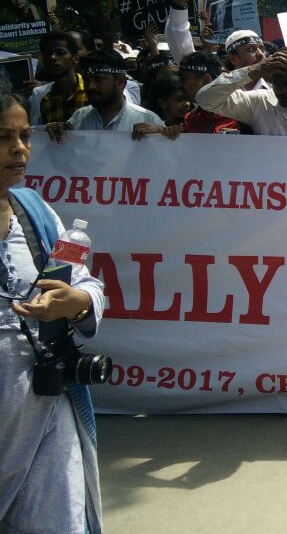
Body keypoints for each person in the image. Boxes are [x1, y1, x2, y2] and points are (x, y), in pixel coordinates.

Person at [0, 90, 105, 533]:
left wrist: (77, 302)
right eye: (3, 137)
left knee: (59, 519)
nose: (20, 149)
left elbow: (81, 281)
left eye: (25, 135)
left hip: (44, 398)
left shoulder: (36, 211)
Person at [46, 51, 162, 141]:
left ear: (121, 82)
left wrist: (160, 135)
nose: (91, 86)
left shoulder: (148, 120)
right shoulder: (79, 119)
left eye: (98, 79)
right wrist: (58, 131)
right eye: (87, 80)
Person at [28, 32, 88, 126]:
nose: (52, 57)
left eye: (60, 53)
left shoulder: (91, 91)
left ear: (75, 58)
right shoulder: (45, 101)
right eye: (47, 54)